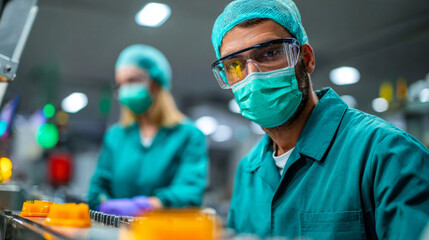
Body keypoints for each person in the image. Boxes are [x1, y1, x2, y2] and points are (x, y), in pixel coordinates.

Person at [210, 0, 429, 239]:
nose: (252, 76)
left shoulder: (388, 154)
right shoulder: (248, 170)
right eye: (235, 65)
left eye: (270, 53)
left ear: (306, 58)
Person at [88, 44, 208, 216]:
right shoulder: (115, 136)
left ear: (156, 82)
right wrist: (104, 205)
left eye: (133, 80)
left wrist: (143, 206)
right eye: (120, 84)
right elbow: (97, 189)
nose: (125, 90)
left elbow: (189, 193)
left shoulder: (188, 135)